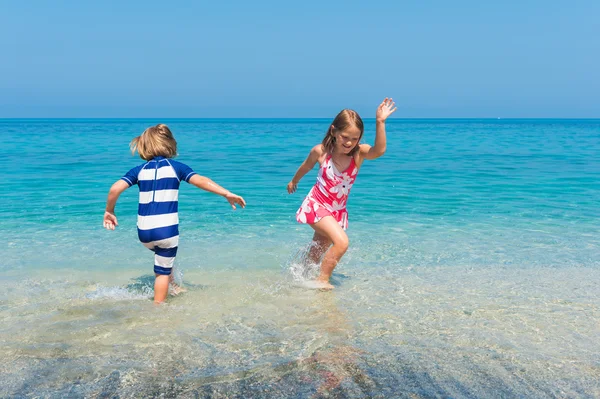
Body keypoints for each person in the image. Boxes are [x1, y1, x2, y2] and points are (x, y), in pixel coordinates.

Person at [103, 124, 246, 303]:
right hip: (166, 230)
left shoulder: (139, 170)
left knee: (163, 259)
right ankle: (158, 308)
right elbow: (201, 180)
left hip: (144, 232)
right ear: (170, 144)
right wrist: (226, 193)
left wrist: (109, 210)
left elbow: (115, 188)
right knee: (161, 272)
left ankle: (174, 287)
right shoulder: (176, 167)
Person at [287, 99, 396, 289]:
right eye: (345, 137)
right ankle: (321, 280)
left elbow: (379, 151)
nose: (349, 143)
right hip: (316, 206)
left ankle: (298, 274)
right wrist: (294, 180)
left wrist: (380, 122)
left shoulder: (358, 154)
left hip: (336, 211)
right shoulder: (321, 152)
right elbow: (306, 166)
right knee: (342, 242)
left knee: (319, 247)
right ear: (334, 131)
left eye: (355, 139)